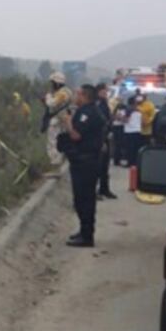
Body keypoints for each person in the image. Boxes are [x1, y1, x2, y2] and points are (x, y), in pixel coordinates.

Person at [60, 84, 105, 247]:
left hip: (86, 162)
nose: (75, 97)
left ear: (84, 96)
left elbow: (76, 135)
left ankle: (87, 236)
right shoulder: (89, 111)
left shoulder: (87, 113)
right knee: (82, 199)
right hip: (85, 161)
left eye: (78, 94)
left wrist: (67, 122)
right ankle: (84, 231)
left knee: (84, 199)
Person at [41, 72, 73, 167]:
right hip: (61, 119)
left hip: (58, 120)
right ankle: (57, 159)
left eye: (53, 83)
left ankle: (55, 161)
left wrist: (47, 97)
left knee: (53, 141)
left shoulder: (63, 93)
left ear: (57, 83)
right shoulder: (64, 92)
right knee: (57, 140)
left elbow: (52, 103)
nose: (52, 85)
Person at [94, 83, 117, 200]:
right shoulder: (97, 104)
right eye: (104, 91)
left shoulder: (104, 103)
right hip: (99, 138)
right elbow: (99, 123)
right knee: (98, 166)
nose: (106, 93)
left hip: (106, 137)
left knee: (105, 166)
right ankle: (95, 191)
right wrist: (102, 140)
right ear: (99, 91)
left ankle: (104, 189)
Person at [123, 96, 144, 166]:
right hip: (138, 131)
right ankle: (135, 163)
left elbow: (126, 120)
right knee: (135, 148)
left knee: (129, 148)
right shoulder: (139, 110)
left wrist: (120, 118)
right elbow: (142, 121)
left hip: (129, 131)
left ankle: (130, 162)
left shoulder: (128, 109)